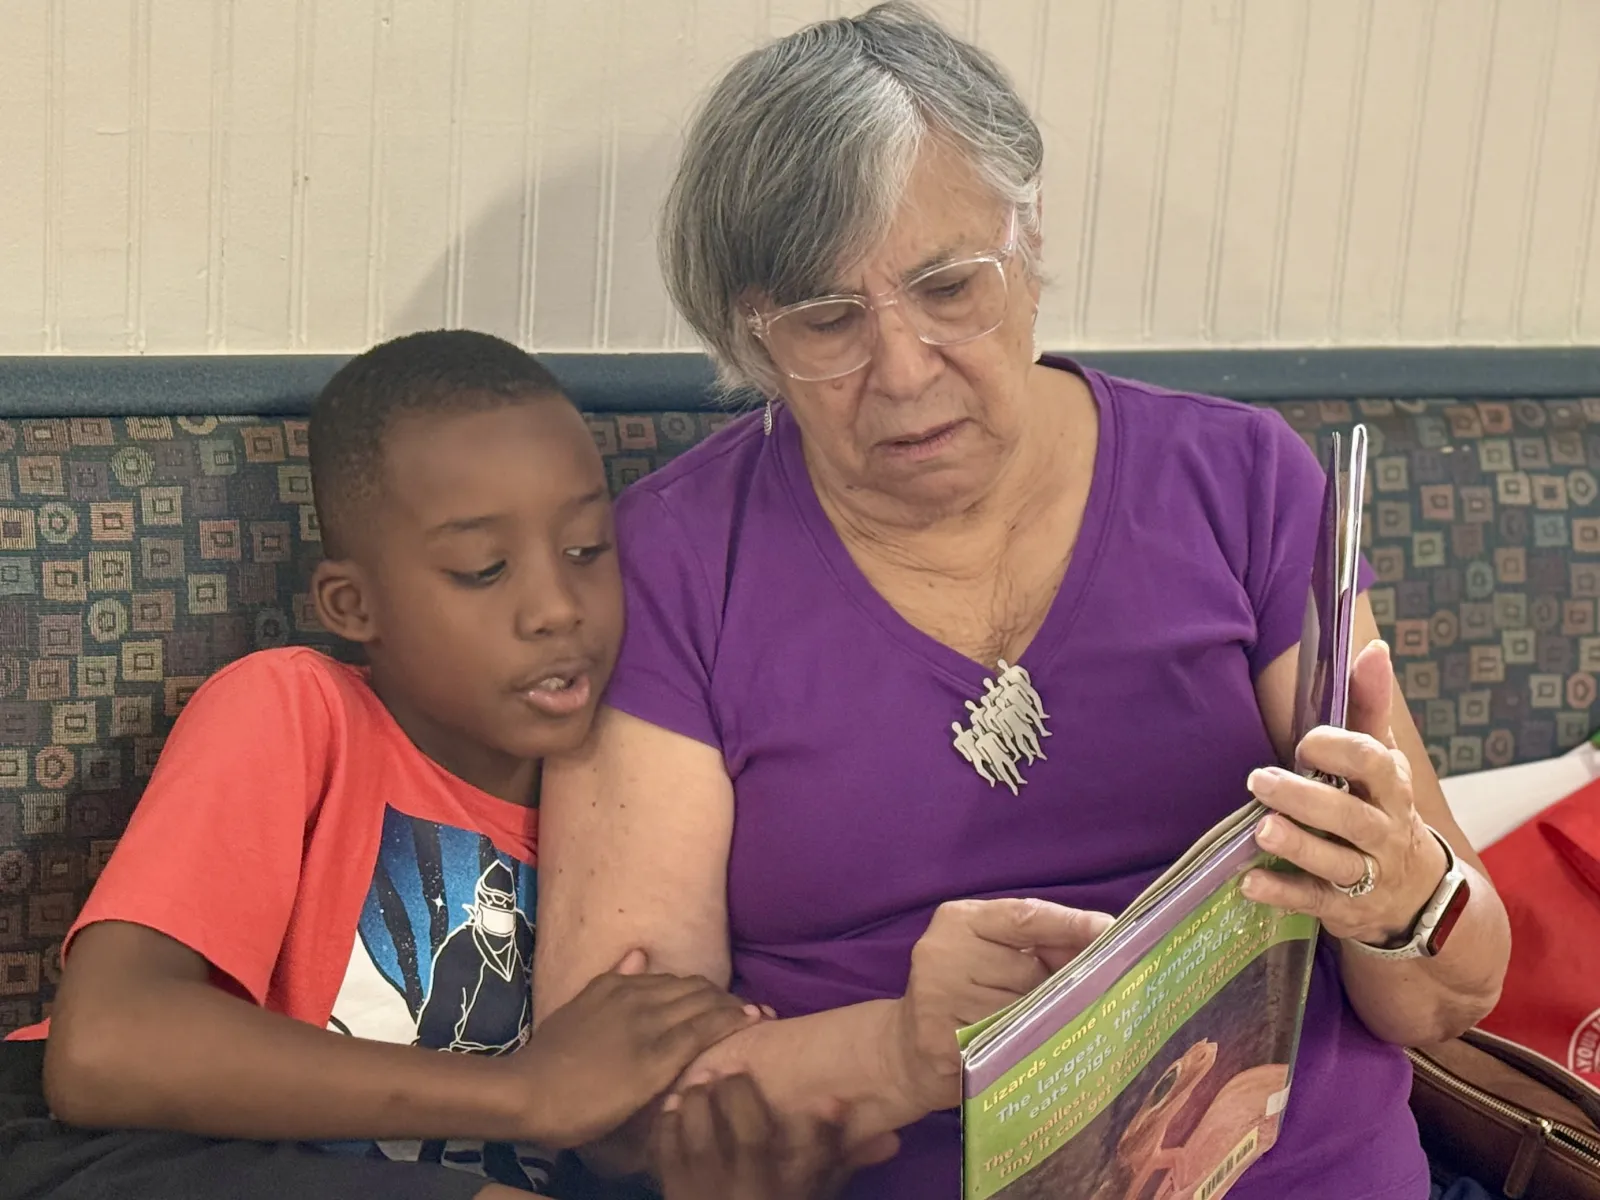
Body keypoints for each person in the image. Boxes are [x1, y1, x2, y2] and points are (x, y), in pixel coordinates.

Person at [534, 5, 1513, 1199]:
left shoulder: (1242, 484)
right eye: (827, 323)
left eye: (949, 290)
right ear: (750, 338)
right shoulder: (675, 566)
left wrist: (1402, 900)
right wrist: (903, 1048)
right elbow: (613, 1106)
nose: (900, 371)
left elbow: (1455, 991)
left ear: (1029, 239)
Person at [0, 331, 845, 1200]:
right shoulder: (296, 712)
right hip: (124, 1152)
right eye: (484, 570)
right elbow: (105, 1047)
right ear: (354, 604)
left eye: (588, 550)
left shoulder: (647, 801)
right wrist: (523, 1092)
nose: (557, 609)